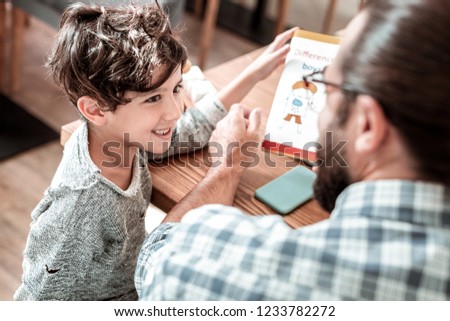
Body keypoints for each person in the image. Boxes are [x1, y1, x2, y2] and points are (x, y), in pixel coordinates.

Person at [136, 0, 450, 300]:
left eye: (327, 86)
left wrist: (227, 166)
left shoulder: (234, 262)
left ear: (367, 125)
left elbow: (155, 261)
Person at [15, 2, 295, 300]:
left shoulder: (123, 140)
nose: (175, 111)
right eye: (152, 99)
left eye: (176, 89)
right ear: (95, 110)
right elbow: (36, 303)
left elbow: (190, 128)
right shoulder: (77, 209)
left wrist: (254, 73)